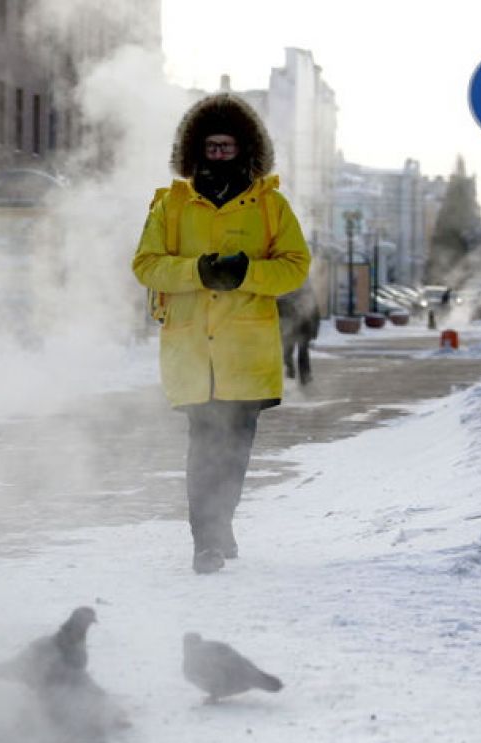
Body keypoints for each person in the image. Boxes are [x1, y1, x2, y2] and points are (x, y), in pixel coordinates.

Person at [132, 93, 311, 574]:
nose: (217, 155)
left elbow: (295, 268)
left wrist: (245, 272)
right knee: (204, 444)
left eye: (226, 147)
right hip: (192, 350)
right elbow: (147, 265)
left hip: (247, 354)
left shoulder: (271, 206)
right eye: (210, 147)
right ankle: (205, 540)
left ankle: (221, 523)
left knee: (235, 449)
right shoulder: (170, 206)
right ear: (194, 150)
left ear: (244, 149)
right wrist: (200, 271)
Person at [277, 281, 321, 385]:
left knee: (292, 352)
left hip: (298, 327)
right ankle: (298, 376)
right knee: (295, 352)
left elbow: (314, 310)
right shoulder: (303, 289)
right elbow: (314, 310)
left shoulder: (286, 288)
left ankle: (292, 376)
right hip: (293, 327)